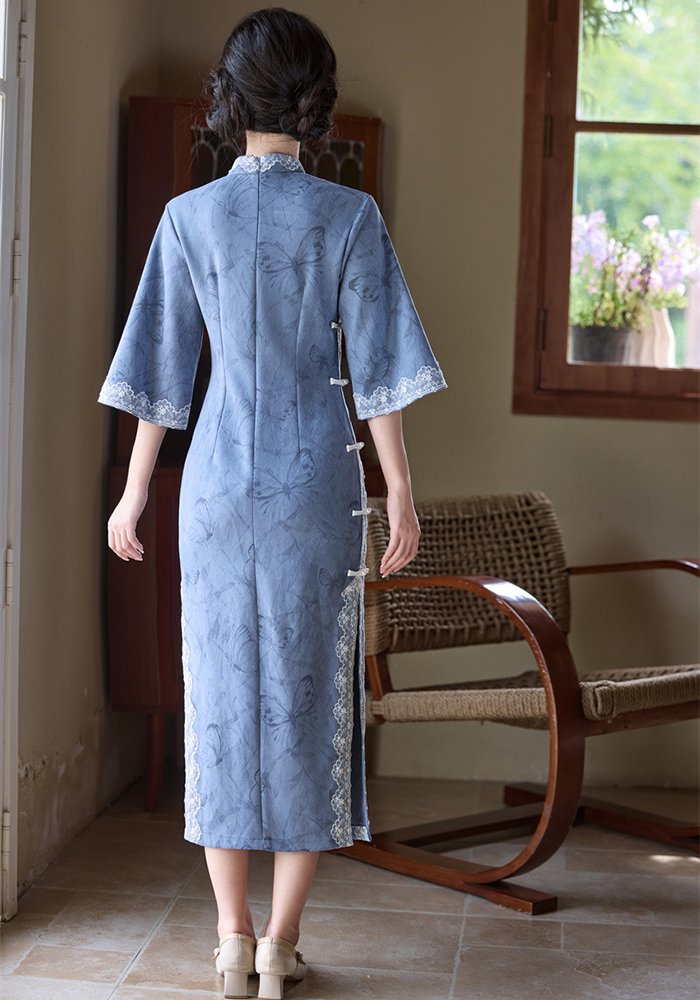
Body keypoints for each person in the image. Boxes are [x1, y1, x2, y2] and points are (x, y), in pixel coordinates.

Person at [97, 7, 447, 998]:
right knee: (307, 701)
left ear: (228, 97)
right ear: (316, 99)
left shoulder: (188, 217)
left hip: (214, 488)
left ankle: (229, 936)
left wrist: (133, 495)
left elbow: (159, 376)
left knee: (220, 701)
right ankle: (282, 943)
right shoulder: (350, 215)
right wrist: (401, 494)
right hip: (316, 483)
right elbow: (379, 375)